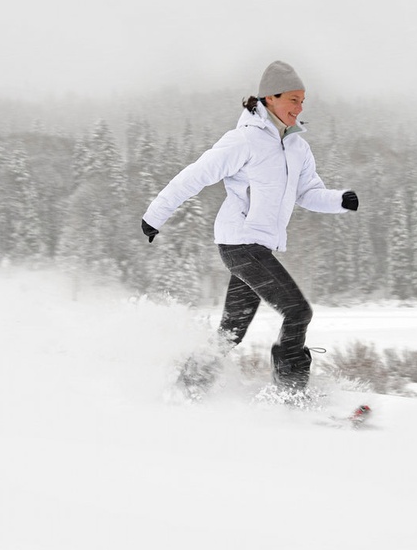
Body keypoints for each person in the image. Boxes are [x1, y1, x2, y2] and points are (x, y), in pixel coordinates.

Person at [141, 61, 358, 392]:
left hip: (258, 247)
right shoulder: (244, 141)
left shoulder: (297, 147)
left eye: (303, 101)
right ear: (270, 98)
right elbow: (195, 175)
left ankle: (187, 386)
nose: (299, 108)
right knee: (297, 311)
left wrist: (339, 201)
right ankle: (290, 393)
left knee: (232, 330)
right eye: (293, 100)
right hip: (239, 243)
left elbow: (307, 192)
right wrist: (155, 215)